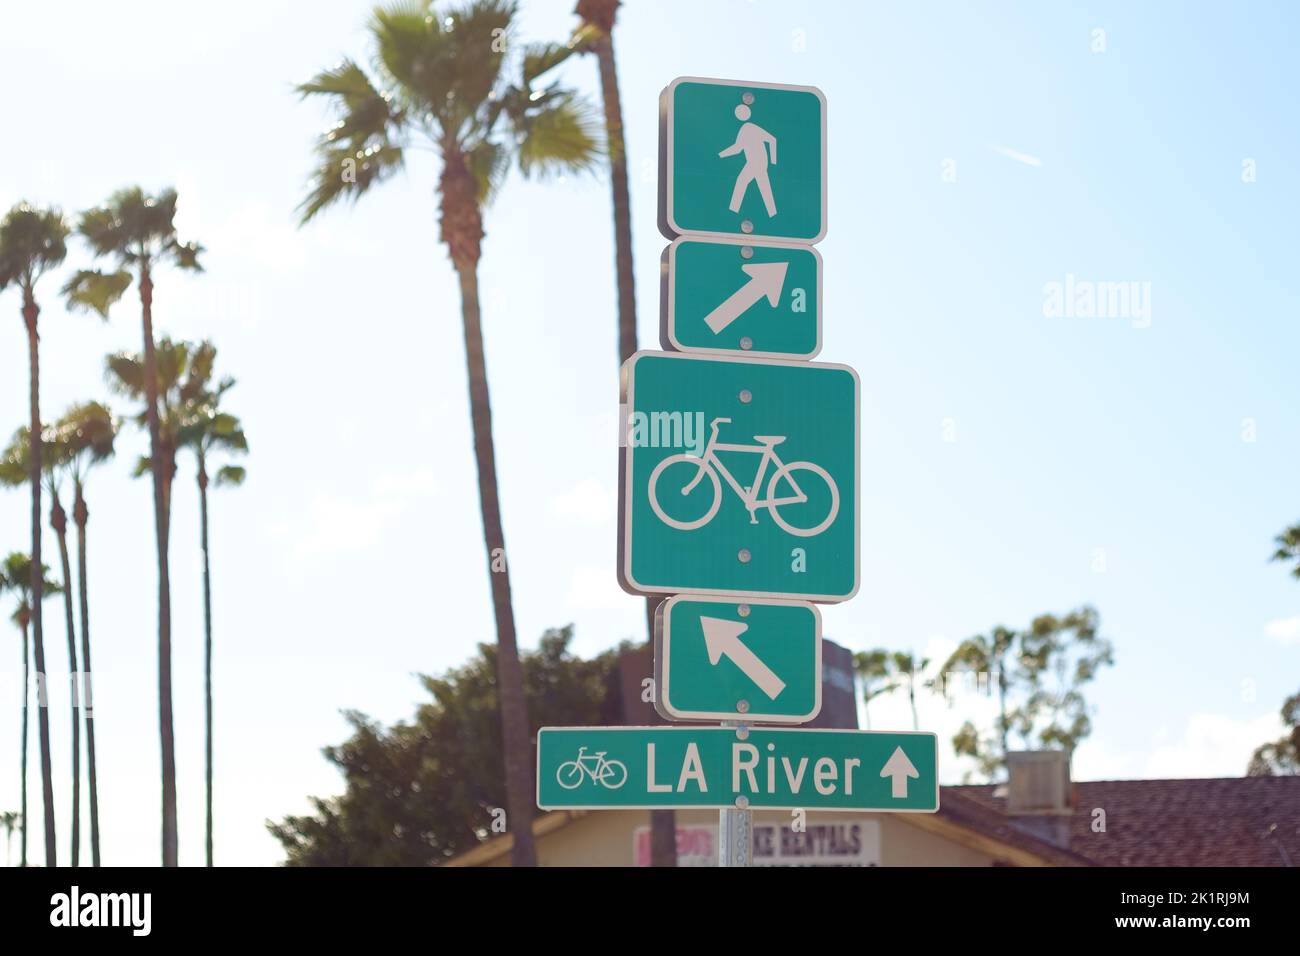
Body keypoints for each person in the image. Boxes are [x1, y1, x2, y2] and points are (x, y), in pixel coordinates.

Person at [718, 103, 778, 217]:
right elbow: (737, 148)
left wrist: (773, 162)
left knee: (744, 182)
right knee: (761, 186)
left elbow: (772, 140)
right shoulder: (744, 129)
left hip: (758, 162)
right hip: (754, 163)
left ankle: (733, 212)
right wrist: (721, 155)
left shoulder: (749, 127)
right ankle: (772, 213)